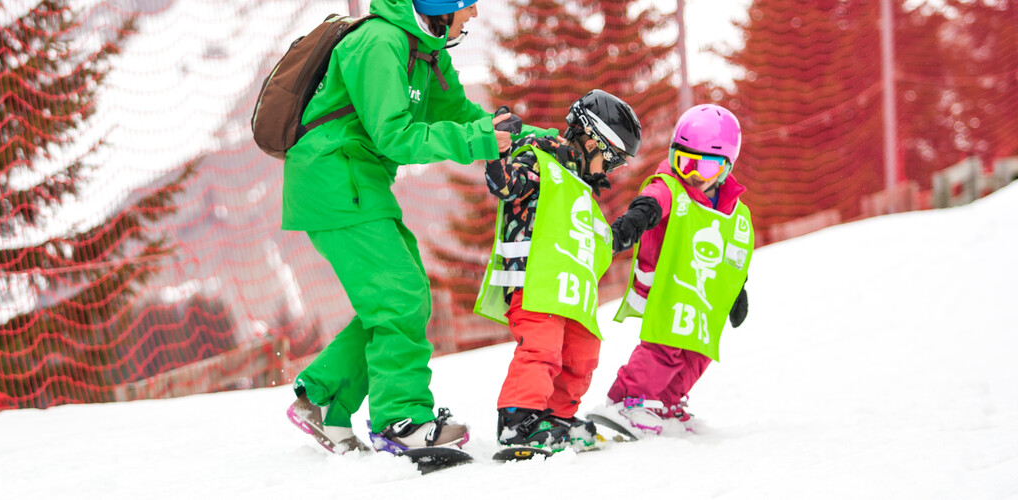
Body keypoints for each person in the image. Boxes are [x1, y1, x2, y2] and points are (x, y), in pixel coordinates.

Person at [283, 0, 558, 455]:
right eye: (466, 5)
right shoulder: (379, 43)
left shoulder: (427, 49)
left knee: (403, 296)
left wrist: (524, 135)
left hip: (358, 180)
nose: (472, 15)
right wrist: (480, 141)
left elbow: (459, 113)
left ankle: (323, 400)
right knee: (398, 297)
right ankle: (399, 420)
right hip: (333, 180)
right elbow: (394, 135)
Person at [475, 90, 642, 453]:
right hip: (535, 283)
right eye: (611, 160)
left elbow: (589, 241)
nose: (609, 170)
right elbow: (505, 185)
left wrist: (621, 233)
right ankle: (518, 421)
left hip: (569, 290)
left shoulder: (581, 188)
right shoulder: (543, 159)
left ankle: (555, 417)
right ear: (591, 140)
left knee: (582, 352)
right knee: (542, 349)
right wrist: (497, 147)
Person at [586, 104, 754, 439]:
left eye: (703, 165)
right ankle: (627, 401)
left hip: (704, 299)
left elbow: (733, 255)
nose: (690, 172)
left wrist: (737, 291)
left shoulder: (736, 213)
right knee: (663, 349)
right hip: (668, 289)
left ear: (724, 168)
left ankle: (666, 403)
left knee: (697, 354)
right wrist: (635, 219)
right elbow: (653, 199)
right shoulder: (671, 187)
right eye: (683, 161)